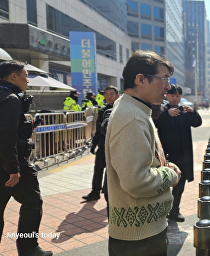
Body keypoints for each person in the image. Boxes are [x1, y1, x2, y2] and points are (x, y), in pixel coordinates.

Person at [104, 50, 181, 256]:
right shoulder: (132, 117)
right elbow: (136, 181)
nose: (168, 86)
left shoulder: (136, 109)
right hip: (139, 239)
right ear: (140, 79)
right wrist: (171, 174)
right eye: (163, 79)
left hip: (141, 230)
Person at [0, 60, 52, 256]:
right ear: (13, 76)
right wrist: (13, 168)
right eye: (25, 76)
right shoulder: (10, 99)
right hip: (8, 164)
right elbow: (6, 137)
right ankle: (28, 248)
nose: (27, 81)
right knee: (32, 201)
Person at [154, 84, 202, 222]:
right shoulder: (162, 110)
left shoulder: (185, 111)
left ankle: (175, 211)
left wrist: (193, 112)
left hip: (183, 154)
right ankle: (162, 212)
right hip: (167, 153)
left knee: (180, 185)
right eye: (172, 95)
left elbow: (197, 123)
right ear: (166, 96)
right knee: (163, 184)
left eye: (177, 95)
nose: (175, 98)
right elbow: (155, 122)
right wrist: (167, 114)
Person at [83, 86, 120, 202]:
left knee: (113, 172)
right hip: (103, 145)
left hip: (116, 147)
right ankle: (95, 192)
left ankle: (110, 192)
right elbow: (98, 130)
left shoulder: (121, 110)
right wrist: (94, 144)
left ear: (117, 96)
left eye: (112, 94)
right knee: (98, 169)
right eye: (107, 94)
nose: (109, 96)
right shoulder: (102, 110)